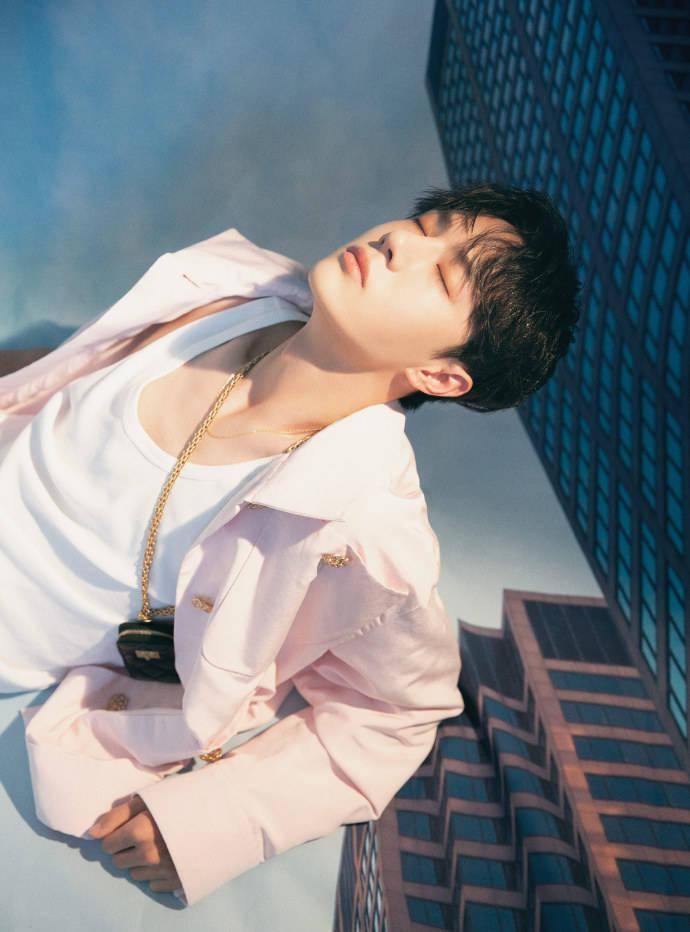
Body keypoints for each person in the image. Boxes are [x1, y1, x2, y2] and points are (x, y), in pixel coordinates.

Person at [0, 181, 582, 906]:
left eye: (441, 274)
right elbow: (71, 379)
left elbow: (397, 716)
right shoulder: (233, 290)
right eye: (425, 223)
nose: (401, 240)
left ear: (439, 374)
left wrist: (215, 822)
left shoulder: (364, 526)